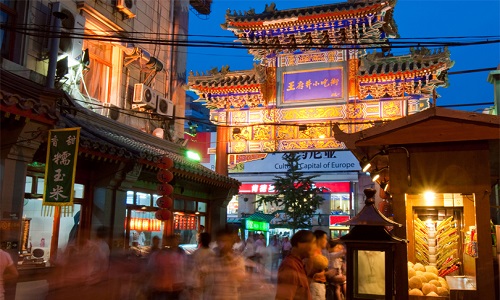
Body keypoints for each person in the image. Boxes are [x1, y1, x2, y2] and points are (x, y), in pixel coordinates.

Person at [203, 229, 246, 300]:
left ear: (231, 241)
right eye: (220, 241)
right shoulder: (212, 257)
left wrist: (230, 264)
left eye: (225, 240)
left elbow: (241, 277)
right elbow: (203, 274)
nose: (223, 244)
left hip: (230, 296)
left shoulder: (237, 258)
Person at [275, 230, 315, 300]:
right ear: (300, 244)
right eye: (313, 243)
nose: (315, 247)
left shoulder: (300, 264)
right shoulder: (290, 266)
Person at [146, 235, 186, 300]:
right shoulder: (176, 255)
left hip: (168, 285)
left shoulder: (179, 253)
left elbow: (150, 269)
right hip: (169, 285)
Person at [189, 232, 214, 300]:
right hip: (209, 280)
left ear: (201, 240)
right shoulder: (212, 253)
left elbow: (192, 268)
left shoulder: (196, 253)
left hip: (198, 281)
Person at [305, 230, 329, 300]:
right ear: (319, 239)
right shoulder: (314, 254)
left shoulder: (319, 252)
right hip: (316, 285)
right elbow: (310, 272)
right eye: (325, 239)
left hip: (318, 285)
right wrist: (327, 273)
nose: (326, 241)